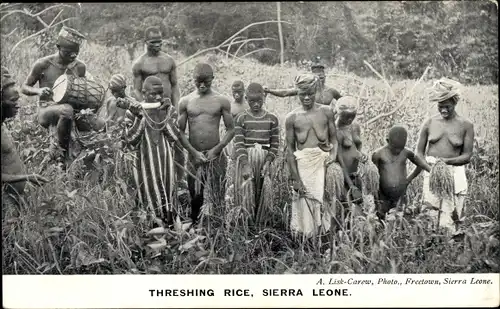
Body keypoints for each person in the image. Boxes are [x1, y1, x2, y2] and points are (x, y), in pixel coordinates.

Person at [120, 76, 192, 227]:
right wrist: (140, 117)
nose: (158, 97)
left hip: (165, 162)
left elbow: (173, 137)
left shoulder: (168, 109)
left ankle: (169, 231)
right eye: (153, 94)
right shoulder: (132, 112)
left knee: (168, 196)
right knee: (148, 198)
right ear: (144, 93)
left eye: (161, 93)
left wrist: (164, 113)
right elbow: (131, 140)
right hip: (144, 163)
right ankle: (150, 231)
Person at [21, 26, 98, 165]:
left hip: (72, 109)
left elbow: (82, 92)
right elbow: (24, 87)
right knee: (66, 110)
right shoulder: (43, 64)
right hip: (47, 110)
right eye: (68, 52)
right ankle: (60, 156)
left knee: (99, 123)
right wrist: (39, 91)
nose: (73, 56)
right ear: (58, 47)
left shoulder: (80, 66)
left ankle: (86, 157)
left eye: (76, 52)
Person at [131, 26, 186, 199]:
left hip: (168, 108)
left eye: (160, 41)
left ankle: (180, 180)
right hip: (151, 110)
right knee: (155, 146)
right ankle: (155, 180)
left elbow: (175, 85)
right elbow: (137, 89)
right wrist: (146, 108)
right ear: (145, 42)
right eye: (153, 42)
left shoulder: (169, 60)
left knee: (177, 142)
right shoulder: (139, 63)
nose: (157, 45)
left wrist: (176, 109)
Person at [178, 63, 234, 226]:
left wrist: (217, 149)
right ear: (193, 79)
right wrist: (194, 152)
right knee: (195, 195)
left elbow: (231, 130)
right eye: (198, 81)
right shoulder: (186, 101)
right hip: (194, 155)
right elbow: (180, 132)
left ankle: (220, 229)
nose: (202, 85)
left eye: (206, 81)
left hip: (215, 155)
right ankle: (195, 227)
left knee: (218, 194)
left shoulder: (221, 101)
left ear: (212, 79)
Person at [415, 78, 474, 235]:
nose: (443, 110)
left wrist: (446, 162)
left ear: (455, 103)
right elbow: (418, 153)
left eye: (447, 106)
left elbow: (467, 155)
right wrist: (431, 169)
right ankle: (430, 247)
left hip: (454, 173)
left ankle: (450, 245)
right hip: (432, 171)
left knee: (452, 217)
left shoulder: (466, 125)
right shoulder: (429, 123)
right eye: (440, 107)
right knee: (429, 215)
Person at [285, 73, 338, 239]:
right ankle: (306, 245)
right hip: (303, 168)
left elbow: (334, 140)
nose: (306, 98)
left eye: (310, 94)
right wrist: (296, 179)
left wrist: (333, 156)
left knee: (326, 204)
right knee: (305, 208)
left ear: (316, 92)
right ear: (297, 93)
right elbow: (289, 150)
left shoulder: (326, 112)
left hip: (324, 166)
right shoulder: (292, 118)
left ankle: (325, 242)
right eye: (302, 94)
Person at [2, 66, 48, 217]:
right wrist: (27, 177)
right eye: (12, 101)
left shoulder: (3, 125)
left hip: (16, 199)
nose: (18, 105)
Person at [233, 83, 280, 223]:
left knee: (262, 194)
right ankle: (245, 226)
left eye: (259, 100)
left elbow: (275, 144)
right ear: (246, 99)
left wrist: (268, 162)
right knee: (245, 194)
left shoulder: (272, 119)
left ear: (264, 97)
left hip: (264, 159)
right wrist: (245, 164)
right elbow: (239, 144)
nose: (256, 104)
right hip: (246, 159)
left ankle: (261, 226)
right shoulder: (241, 118)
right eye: (252, 101)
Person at [371, 125, 432, 220]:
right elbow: (373, 176)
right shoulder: (378, 154)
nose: (398, 151)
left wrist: (408, 180)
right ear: (387, 141)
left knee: (400, 219)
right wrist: (376, 194)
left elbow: (420, 164)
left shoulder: (406, 153)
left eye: (400, 148)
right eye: (395, 148)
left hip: (400, 194)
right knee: (382, 219)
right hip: (383, 196)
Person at [264, 59, 342, 107]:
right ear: (313, 78)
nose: (320, 80)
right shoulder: (306, 89)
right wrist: (269, 90)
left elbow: (344, 102)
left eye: (321, 77)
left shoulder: (332, 91)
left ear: (325, 76)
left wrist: (335, 114)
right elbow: (285, 93)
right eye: (317, 78)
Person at [335, 96, 366, 203]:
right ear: (339, 114)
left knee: (358, 209)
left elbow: (358, 145)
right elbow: (339, 160)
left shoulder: (355, 126)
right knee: (344, 208)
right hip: (343, 177)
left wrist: (361, 154)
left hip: (355, 175)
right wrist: (351, 186)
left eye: (352, 117)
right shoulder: (336, 131)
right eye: (346, 117)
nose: (349, 120)